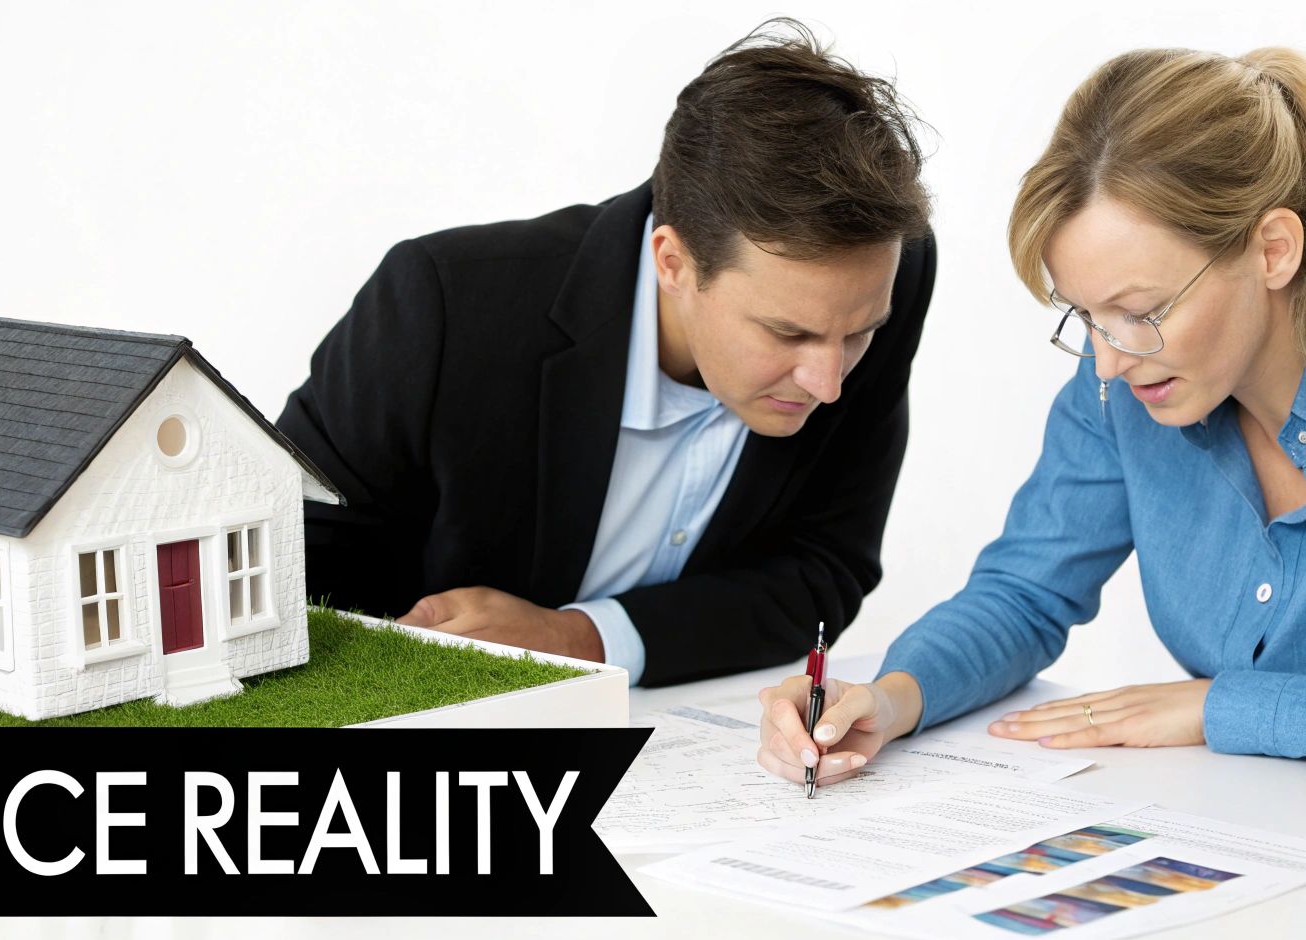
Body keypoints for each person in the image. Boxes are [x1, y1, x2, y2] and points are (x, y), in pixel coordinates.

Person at [756, 46, 1306, 809]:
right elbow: (1023, 593)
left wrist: (1220, 706)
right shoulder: (1128, 381)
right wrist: (893, 698)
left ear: (1273, 250)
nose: (1110, 361)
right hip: (1276, 853)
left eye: (1141, 311)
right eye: (1085, 316)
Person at [276, 20, 937, 686]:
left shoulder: (883, 275)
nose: (829, 383)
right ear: (672, 262)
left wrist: (581, 638)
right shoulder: (442, 305)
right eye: (787, 333)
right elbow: (289, 557)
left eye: (857, 335)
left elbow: (826, 565)